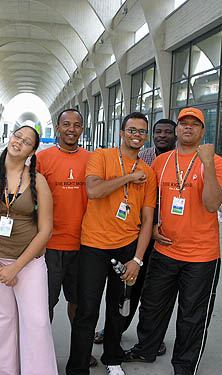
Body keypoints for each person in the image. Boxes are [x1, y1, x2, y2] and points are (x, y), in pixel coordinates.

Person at [124, 107, 222, 375]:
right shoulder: (162, 161)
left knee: (192, 315)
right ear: (177, 129)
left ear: (202, 131)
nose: (188, 128)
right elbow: (150, 200)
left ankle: (184, 366)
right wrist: (155, 224)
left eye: (195, 124)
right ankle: (145, 349)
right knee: (152, 307)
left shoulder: (214, 162)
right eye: (184, 124)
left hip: (201, 256)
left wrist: (206, 164)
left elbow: (213, 204)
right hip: (165, 249)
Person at [66, 112, 157, 375]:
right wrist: (128, 178)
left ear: (145, 136)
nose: (136, 135)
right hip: (94, 246)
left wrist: (138, 260)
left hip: (127, 246)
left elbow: (148, 218)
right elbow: (94, 191)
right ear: (121, 133)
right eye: (131, 130)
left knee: (119, 308)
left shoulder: (148, 173)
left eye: (141, 131)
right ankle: (78, 366)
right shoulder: (101, 157)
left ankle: (113, 358)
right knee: (87, 310)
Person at [0, 126, 57, 374]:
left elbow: (45, 231)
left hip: (28, 263)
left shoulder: (38, 181)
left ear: (32, 151)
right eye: (18, 136)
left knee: (37, 322)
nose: (19, 142)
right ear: (10, 138)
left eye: (27, 142)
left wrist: (16, 267)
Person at [94, 118, 177, 356]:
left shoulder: (178, 159)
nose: (163, 136)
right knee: (130, 288)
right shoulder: (146, 158)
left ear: (176, 135)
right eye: (158, 132)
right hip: (139, 230)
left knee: (156, 294)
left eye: (168, 132)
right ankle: (115, 332)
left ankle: (150, 339)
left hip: (167, 235)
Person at [36, 109, 97, 367]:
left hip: (83, 245)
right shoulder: (42, 158)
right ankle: (40, 354)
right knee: (44, 305)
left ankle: (80, 352)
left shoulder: (92, 159)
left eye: (77, 125)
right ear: (57, 128)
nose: (72, 129)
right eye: (66, 124)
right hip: (49, 245)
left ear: (82, 129)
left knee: (79, 305)